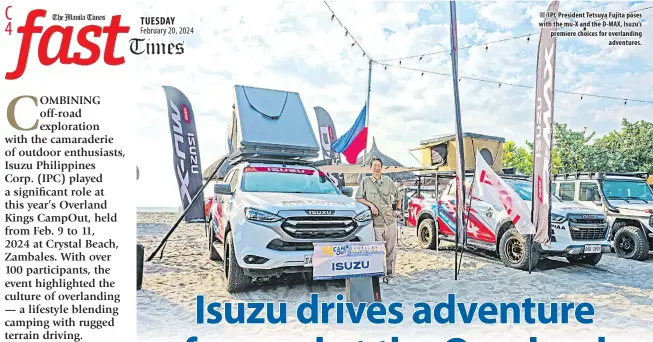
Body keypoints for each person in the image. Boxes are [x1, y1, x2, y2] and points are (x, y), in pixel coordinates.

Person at [355, 156, 401, 283]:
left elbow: (399, 196)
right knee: (378, 250)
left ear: (382, 168)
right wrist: (371, 205)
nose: (377, 168)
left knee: (391, 250)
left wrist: (397, 209)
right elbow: (358, 198)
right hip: (376, 222)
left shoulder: (388, 181)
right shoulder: (365, 181)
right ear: (371, 168)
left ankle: (390, 275)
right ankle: (380, 274)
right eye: (374, 166)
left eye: (379, 166)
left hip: (390, 221)